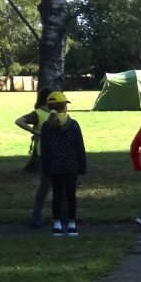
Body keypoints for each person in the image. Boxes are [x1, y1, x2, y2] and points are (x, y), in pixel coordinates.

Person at [39, 92, 86, 236]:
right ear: (65, 106)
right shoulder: (73, 124)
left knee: (57, 195)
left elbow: (44, 149)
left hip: (54, 165)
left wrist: (45, 168)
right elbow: (79, 147)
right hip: (71, 165)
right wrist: (82, 165)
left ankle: (57, 224)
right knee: (71, 195)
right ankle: (72, 225)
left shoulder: (46, 126)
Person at [14, 87, 59, 229]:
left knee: (61, 186)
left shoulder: (55, 113)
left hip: (58, 155)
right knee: (44, 187)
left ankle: (64, 215)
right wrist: (35, 131)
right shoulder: (38, 113)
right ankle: (36, 217)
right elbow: (19, 121)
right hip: (44, 156)